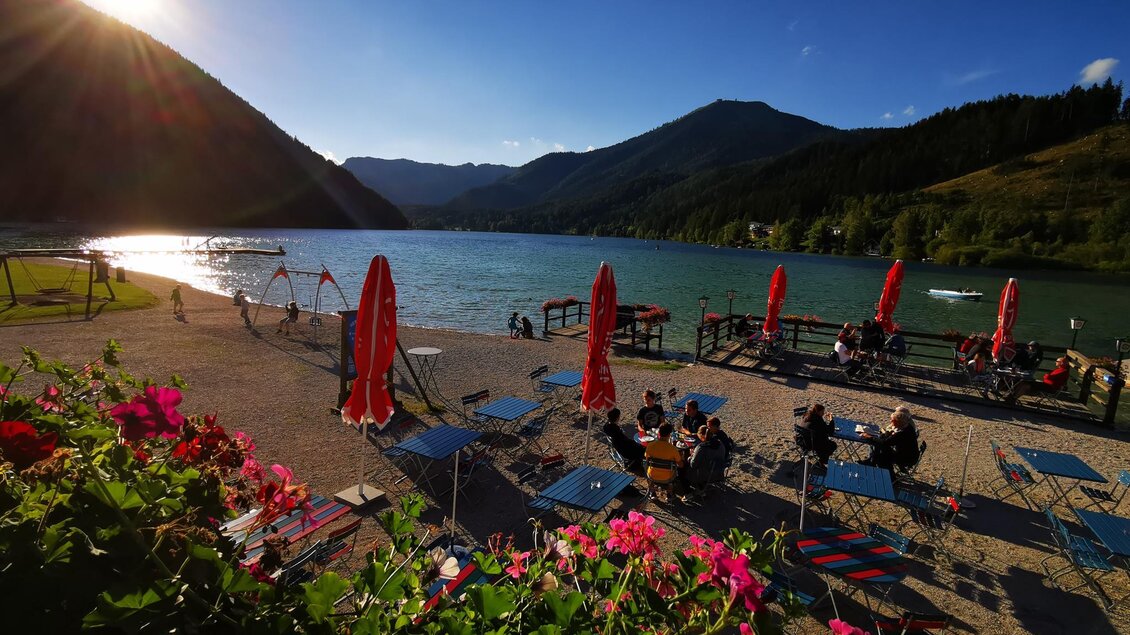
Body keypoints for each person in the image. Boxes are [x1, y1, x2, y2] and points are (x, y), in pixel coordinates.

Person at [860, 407, 920, 473]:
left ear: (898, 422)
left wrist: (869, 436)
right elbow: (889, 439)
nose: (891, 422)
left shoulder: (902, 433)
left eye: (892, 420)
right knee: (880, 447)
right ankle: (871, 462)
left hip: (906, 458)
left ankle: (890, 477)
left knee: (881, 456)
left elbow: (885, 442)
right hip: (907, 454)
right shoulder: (907, 426)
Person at [644, 423, 684, 496]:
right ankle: (669, 493)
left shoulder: (650, 446)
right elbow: (680, 465)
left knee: (644, 464)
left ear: (659, 433)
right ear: (669, 435)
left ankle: (652, 492)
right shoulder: (673, 449)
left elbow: (647, 459)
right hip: (667, 477)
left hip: (652, 475)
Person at [685, 425, 727, 493]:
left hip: (704, 476)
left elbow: (693, 464)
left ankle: (688, 490)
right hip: (719, 473)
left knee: (683, 466)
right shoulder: (720, 443)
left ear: (702, 435)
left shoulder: (701, 447)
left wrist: (691, 456)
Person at [602, 408, 644, 472]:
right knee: (643, 449)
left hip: (619, 449)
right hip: (626, 452)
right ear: (617, 417)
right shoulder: (616, 430)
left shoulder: (606, 426)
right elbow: (625, 441)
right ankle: (638, 466)